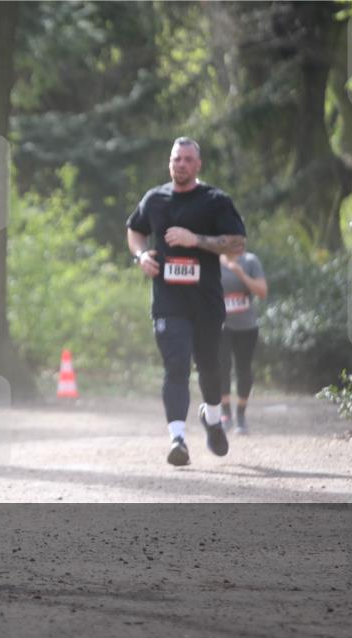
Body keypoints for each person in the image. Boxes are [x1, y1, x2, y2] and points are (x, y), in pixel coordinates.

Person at [126, 137, 247, 466]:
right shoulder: (155, 199)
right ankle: (177, 438)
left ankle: (211, 418)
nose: (181, 164)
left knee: (209, 366)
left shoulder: (214, 200)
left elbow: (236, 243)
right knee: (175, 366)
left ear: (198, 165)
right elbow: (134, 230)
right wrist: (140, 256)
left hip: (206, 301)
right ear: (170, 162)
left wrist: (196, 240)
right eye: (176, 159)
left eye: (187, 159)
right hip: (168, 300)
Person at [219, 251, 267, 435]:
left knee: (243, 369)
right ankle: (225, 413)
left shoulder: (250, 261)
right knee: (221, 367)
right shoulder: (214, 261)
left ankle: (241, 414)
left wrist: (241, 274)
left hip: (246, 326)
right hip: (221, 326)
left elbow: (262, 291)